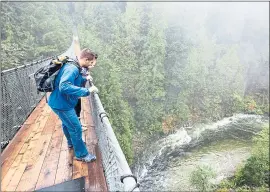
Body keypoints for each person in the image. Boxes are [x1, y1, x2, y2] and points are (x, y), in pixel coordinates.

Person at [48, 48, 98, 163]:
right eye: (91, 63)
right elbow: (64, 86)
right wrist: (87, 91)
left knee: (67, 124)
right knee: (76, 128)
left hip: (60, 102)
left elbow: (75, 79)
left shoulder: (74, 64)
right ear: (85, 59)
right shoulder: (72, 68)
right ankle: (81, 154)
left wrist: (85, 78)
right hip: (62, 104)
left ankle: (72, 143)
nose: (91, 65)